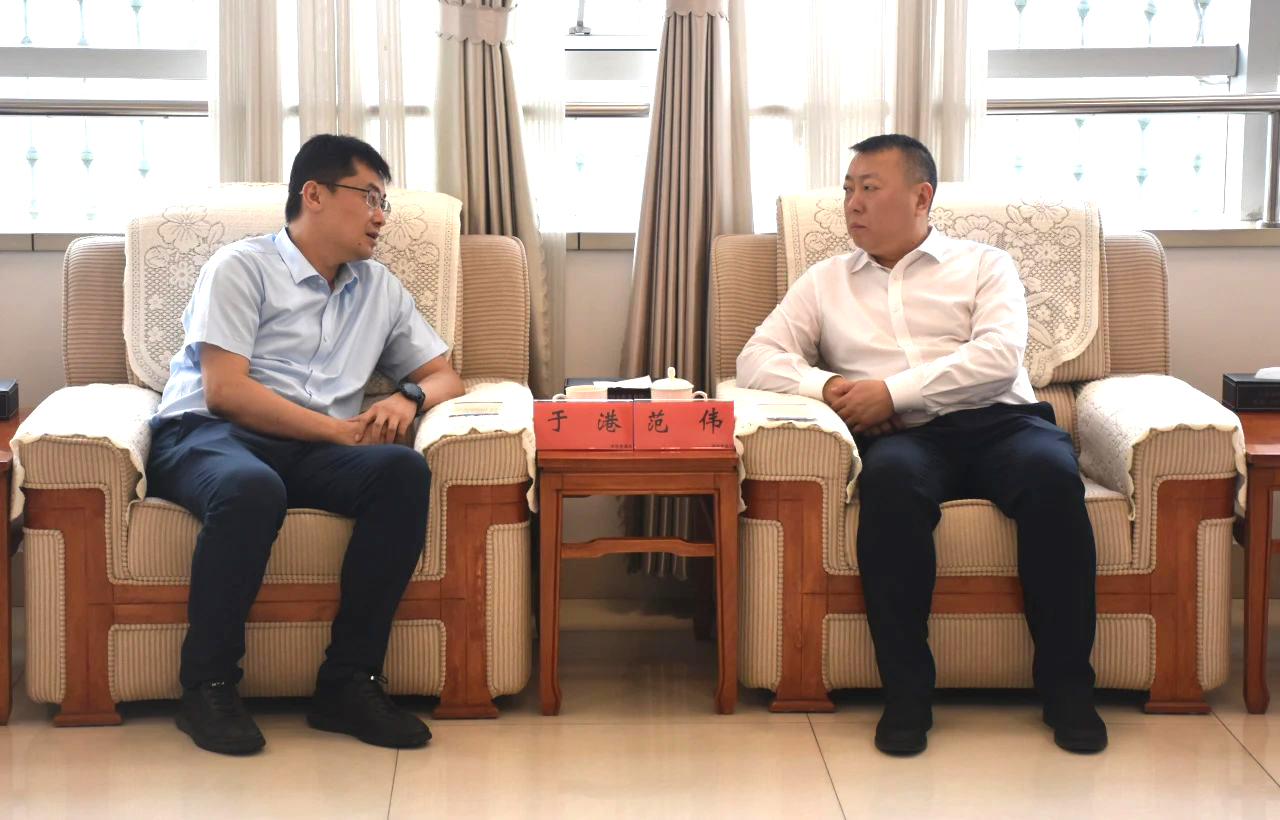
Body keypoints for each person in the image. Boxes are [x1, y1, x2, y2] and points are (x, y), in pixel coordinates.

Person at [737, 134, 1106, 756]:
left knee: (1051, 477)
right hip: (907, 439)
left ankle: (1069, 690)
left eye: (869, 188)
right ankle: (906, 695)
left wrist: (892, 392)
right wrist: (831, 388)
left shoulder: (985, 264)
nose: (852, 203)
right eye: (848, 189)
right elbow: (757, 357)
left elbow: (998, 358)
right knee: (889, 485)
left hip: (1003, 424)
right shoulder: (826, 281)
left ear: (920, 197)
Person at [147, 133, 464, 755]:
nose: (380, 216)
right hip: (209, 436)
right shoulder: (241, 267)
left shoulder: (378, 288)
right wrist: (338, 431)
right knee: (250, 487)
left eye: (384, 202)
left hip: (310, 450)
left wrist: (408, 398)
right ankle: (207, 686)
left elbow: (445, 375)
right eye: (368, 197)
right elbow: (225, 392)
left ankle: (349, 684)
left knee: (401, 473)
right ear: (313, 194)